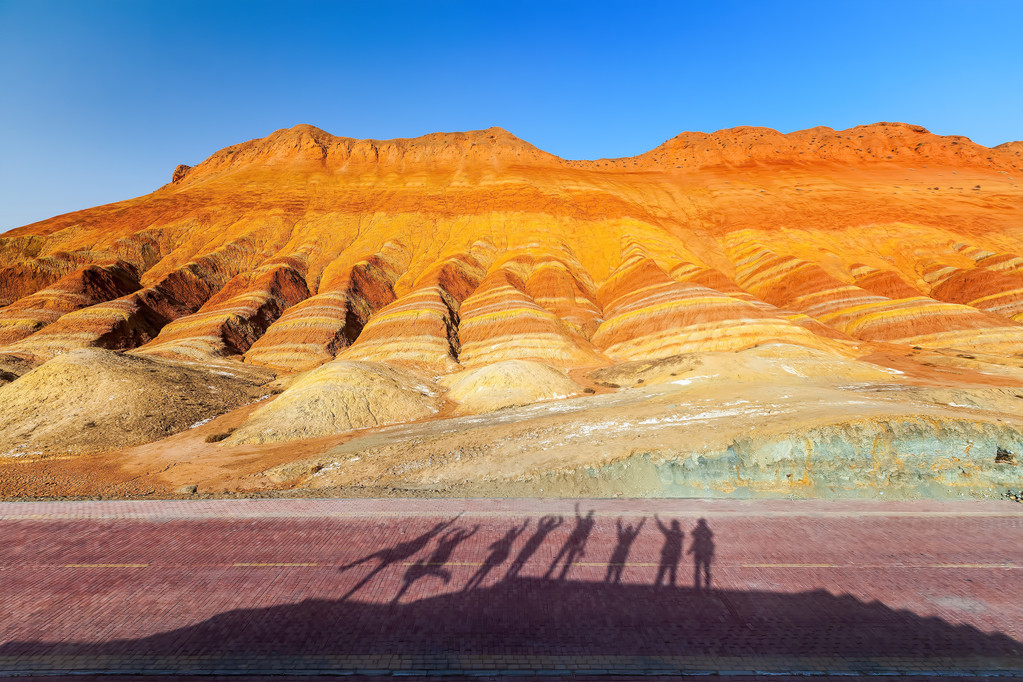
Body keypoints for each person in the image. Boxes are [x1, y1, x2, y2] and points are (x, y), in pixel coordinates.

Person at [604, 517, 645, 584]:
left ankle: (608, 581)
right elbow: (638, 529)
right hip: (624, 552)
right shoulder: (631, 537)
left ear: (626, 529)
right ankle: (616, 581)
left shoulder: (622, 535)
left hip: (618, 551)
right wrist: (642, 521)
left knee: (611, 567)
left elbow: (619, 528)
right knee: (619, 569)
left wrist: (619, 521)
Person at [653, 515, 683, 587]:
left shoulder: (672, 533)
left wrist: (657, 519)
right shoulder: (679, 534)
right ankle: (670, 586)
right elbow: (680, 546)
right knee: (671, 572)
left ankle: (658, 586)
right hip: (673, 555)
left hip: (668, 555)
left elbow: (662, 528)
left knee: (663, 571)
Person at [688, 517, 714, 590]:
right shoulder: (705, 531)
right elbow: (693, 535)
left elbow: (694, 536)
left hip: (702, 553)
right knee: (702, 570)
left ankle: (703, 585)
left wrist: (691, 550)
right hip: (702, 553)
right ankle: (703, 585)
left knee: (702, 570)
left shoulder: (705, 531)